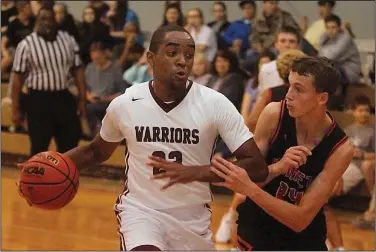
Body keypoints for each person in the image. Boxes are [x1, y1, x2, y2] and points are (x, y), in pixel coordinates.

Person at [19, 24, 268, 251]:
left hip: (192, 220)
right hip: (142, 212)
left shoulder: (215, 104)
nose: (182, 61)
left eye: (189, 55)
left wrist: (197, 172)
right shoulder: (126, 103)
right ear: (151, 58)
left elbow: (257, 167)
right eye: (172, 53)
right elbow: (96, 151)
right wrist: (45, 167)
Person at [210, 56, 354, 250]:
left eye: (299, 89)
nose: (288, 95)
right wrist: (278, 167)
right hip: (257, 227)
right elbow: (249, 178)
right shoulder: (273, 114)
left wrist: (250, 189)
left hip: (303, 237)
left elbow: (300, 219)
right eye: (290, 85)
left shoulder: (341, 148)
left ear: (322, 98)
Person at [215, 49, 304, 244]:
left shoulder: (270, 93)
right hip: (277, 149)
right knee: (253, 191)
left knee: (256, 191)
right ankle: (232, 223)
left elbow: (252, 122)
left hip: (286, 149)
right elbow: (254, 123)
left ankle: (232, 223)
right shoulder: (276, 94)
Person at [11, 6, 86, 156]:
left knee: (71, 141)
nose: (45, 22)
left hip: (62, 96)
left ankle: (63, 177)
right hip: (38, 99)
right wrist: (15, 108)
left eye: (48, 19)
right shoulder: (27, 44)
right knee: (39, 145)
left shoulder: (68, 40)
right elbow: (17, 78)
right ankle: (36, 178)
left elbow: (78, 70)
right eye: (41, 19)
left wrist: (82, 100)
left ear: (55, 21)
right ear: (37, 21)